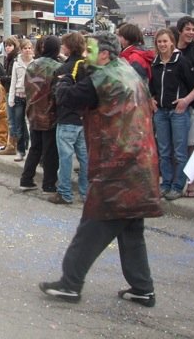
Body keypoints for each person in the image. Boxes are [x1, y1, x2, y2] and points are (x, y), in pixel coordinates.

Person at [39, 32, 162, 307]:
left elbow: (67, 97)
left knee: (93, 225)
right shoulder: (127, 71)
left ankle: (70, 284)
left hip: (117, 168)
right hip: (141, 164)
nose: (85, 55)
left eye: (90, 50)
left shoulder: (102, 78)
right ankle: (142, 288)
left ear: (105, 54)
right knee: (131, 228)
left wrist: (64, 78)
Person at [149, 28, 194, 201]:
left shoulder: (181, 61)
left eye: (165, 41)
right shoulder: (155, 63)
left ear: (171, 43)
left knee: (180, 152)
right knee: (164, 151)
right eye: (159, 41)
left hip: (178, 113)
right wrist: (151, 99)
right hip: (160, 112)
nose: (162, 44)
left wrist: (185, 101)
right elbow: (152, 87)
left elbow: (192, 84)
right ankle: (165, 183)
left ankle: (177, 186)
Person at [19, 36, 61, 193]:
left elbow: (27, 87)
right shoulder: (57, 67)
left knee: (35, 148)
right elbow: (57, 92)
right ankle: (48, 184)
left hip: (33, 111)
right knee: (50, 151)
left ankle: (26, 179)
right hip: (50, 114)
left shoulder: (32, 64)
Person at [51, 32, 89, 204]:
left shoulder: (64, 69)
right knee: (84, 158)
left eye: (64, 44)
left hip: (67, 118)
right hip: (84, 118)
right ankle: (86, 193)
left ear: (69, 47)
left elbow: (56, 94)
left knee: (65, 158)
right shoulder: (89, 66)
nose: (62, 47)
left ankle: (65, 193)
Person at [175, 16, 194, 199]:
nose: (191, 32)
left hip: (193, 106)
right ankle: (174, 183)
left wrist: (187, 100)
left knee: (193, 147)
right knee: (174, 147)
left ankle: (191, 184)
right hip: (171, 108)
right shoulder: (170, 50)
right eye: (187, 29)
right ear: (180, 30)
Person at [8, 38, 33, 162]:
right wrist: (11, 98)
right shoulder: (16, 63)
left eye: (29, 48)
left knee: (33, 125)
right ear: (21, 50)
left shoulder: (35, 63)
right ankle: (20, 151)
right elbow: (13, 81)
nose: (27, 50)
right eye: (25, 48)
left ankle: (34, 152)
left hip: (31, 97)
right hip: (19, 96)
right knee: (19, 125)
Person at [0, 37, 21, 156]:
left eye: (10, 45)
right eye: (6, 45)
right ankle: (15, 145)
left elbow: (14, 77)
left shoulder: (16, 59)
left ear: (15, 46)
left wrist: (2, 79)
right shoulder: (9, 58)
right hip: (9, 90)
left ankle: (14, 146)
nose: (7, 48)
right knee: (14, 119)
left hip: (14, 92)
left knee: (13, 120)